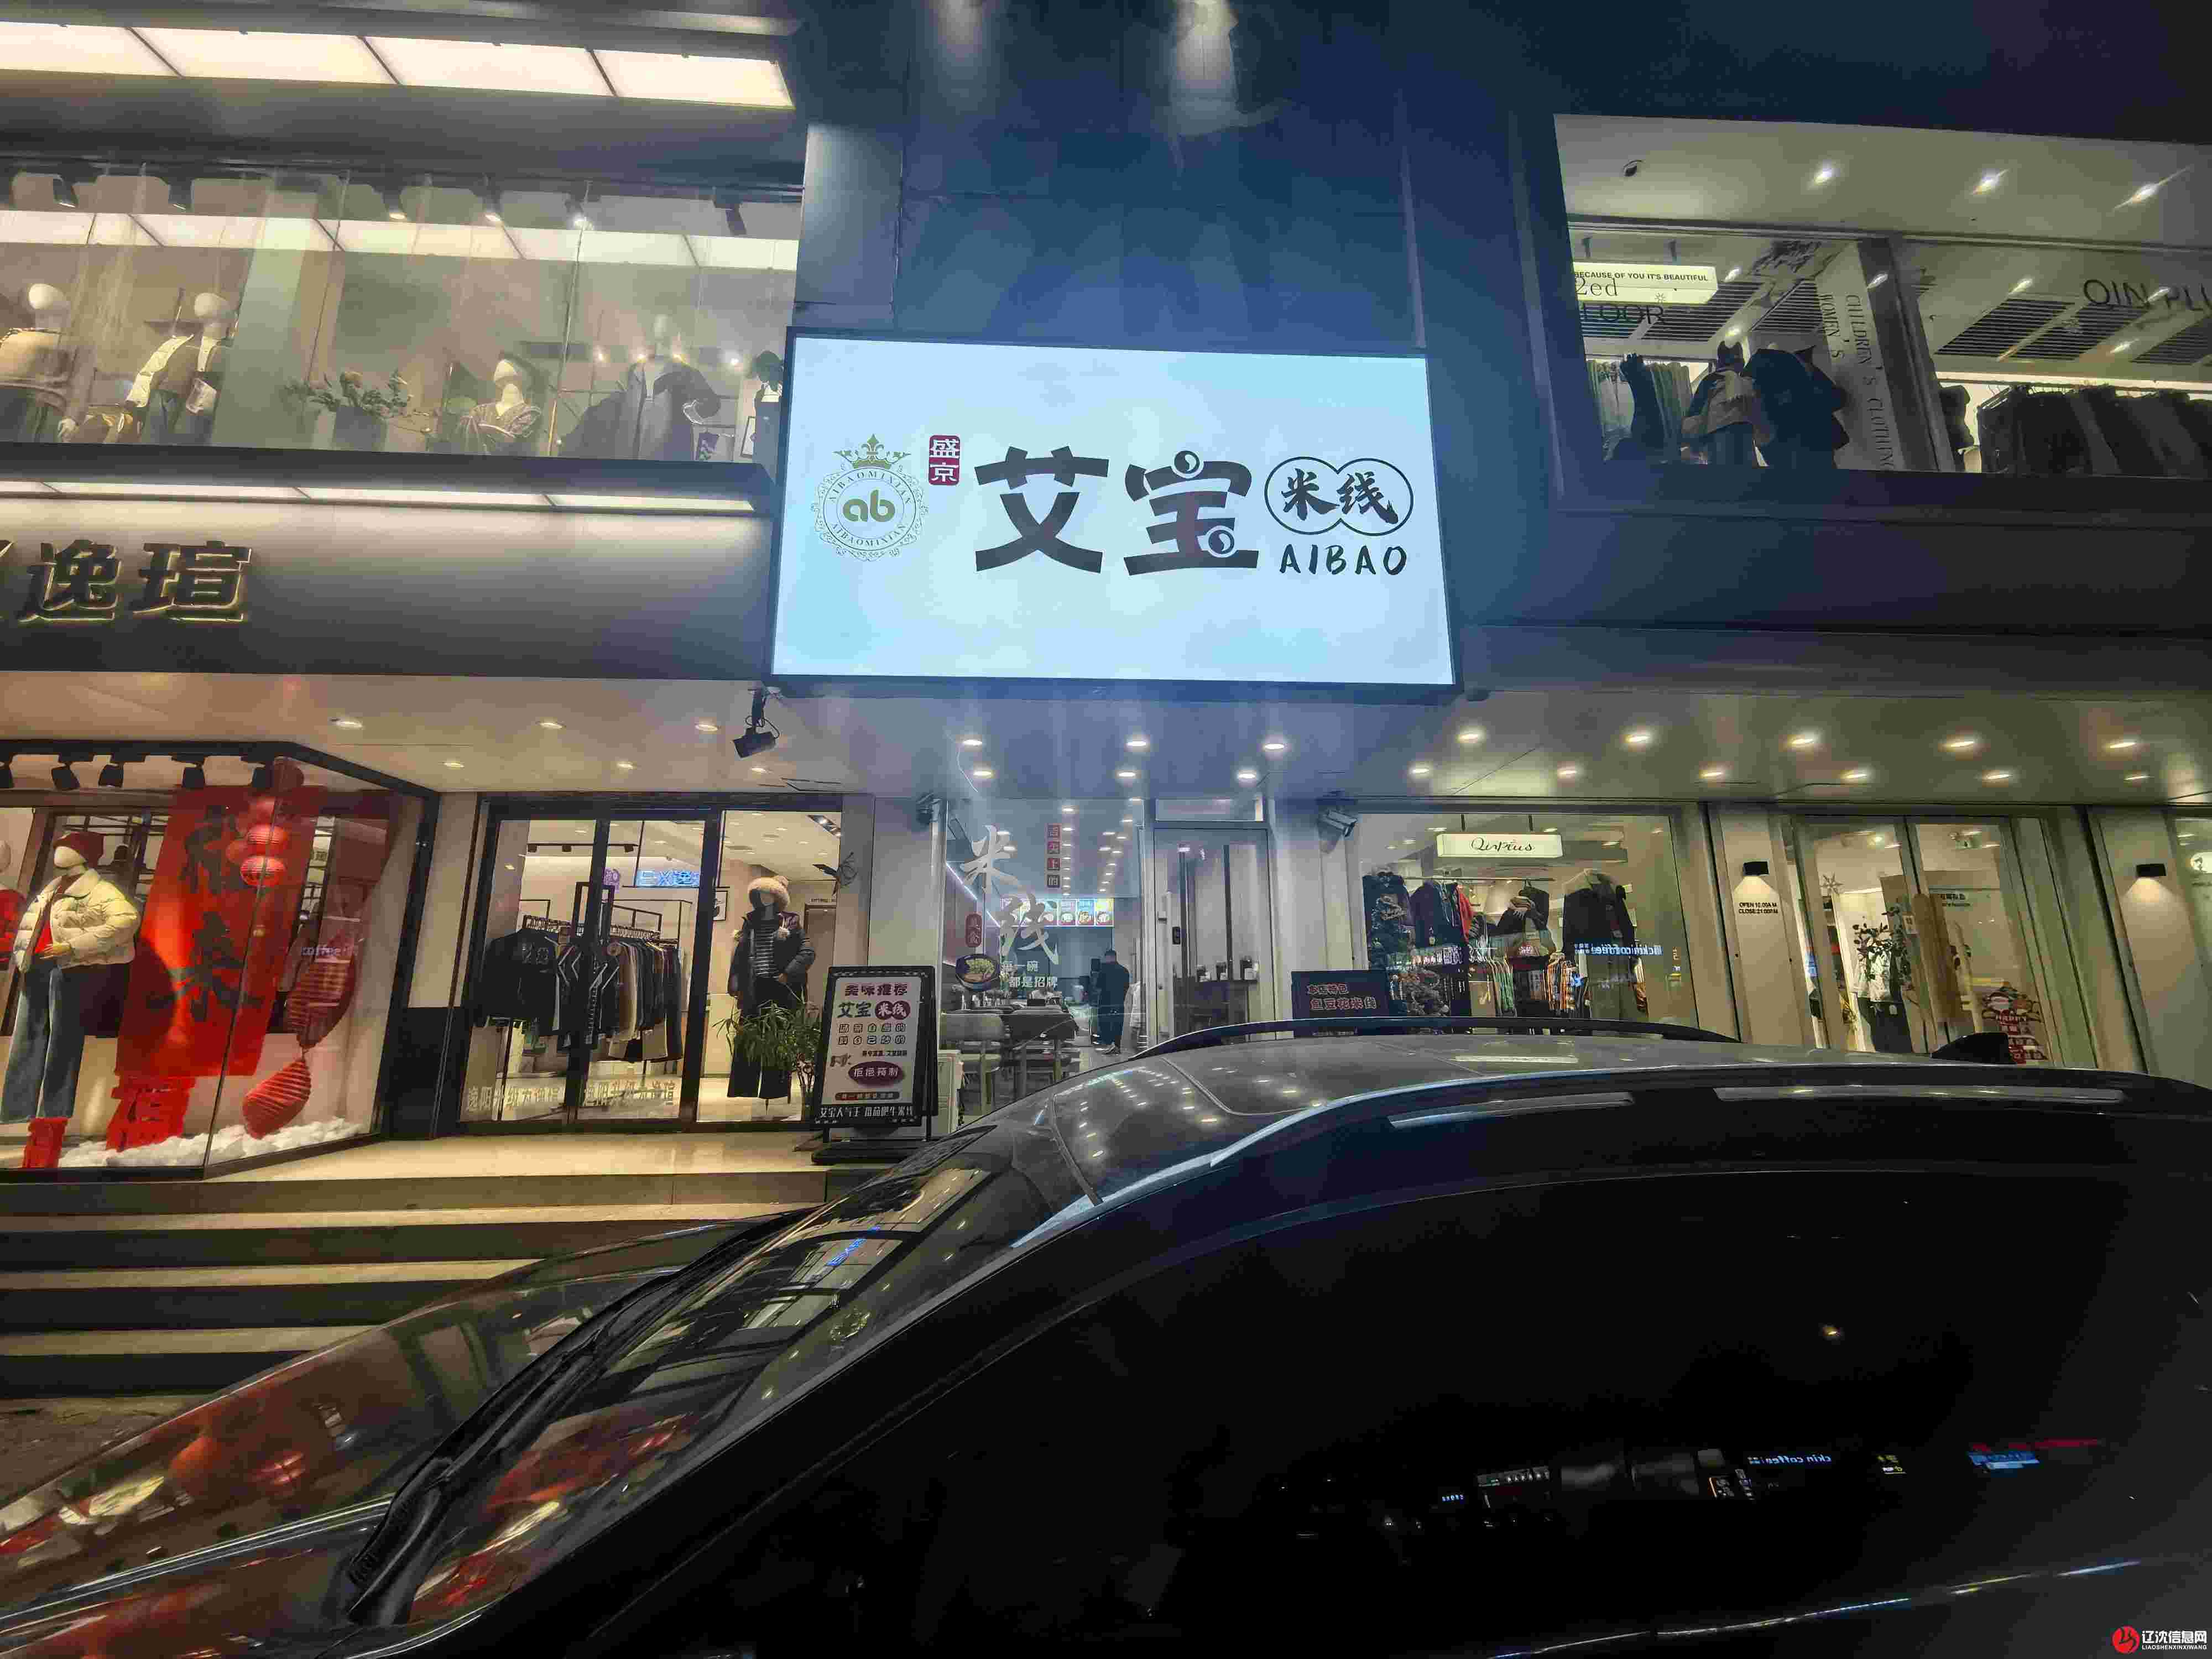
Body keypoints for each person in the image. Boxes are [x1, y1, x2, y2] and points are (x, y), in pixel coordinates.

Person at [1092, 950, 1131, 1051]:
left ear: (1108, 957)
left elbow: (1098, 988)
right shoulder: (1125, 971)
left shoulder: (1103, 971)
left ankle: (1109, 1045)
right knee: (1118, 1025)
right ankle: (1117, 1046)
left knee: (1105, 1025)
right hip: (1119, 1003)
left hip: (1105, 1003)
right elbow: (1126, 987)